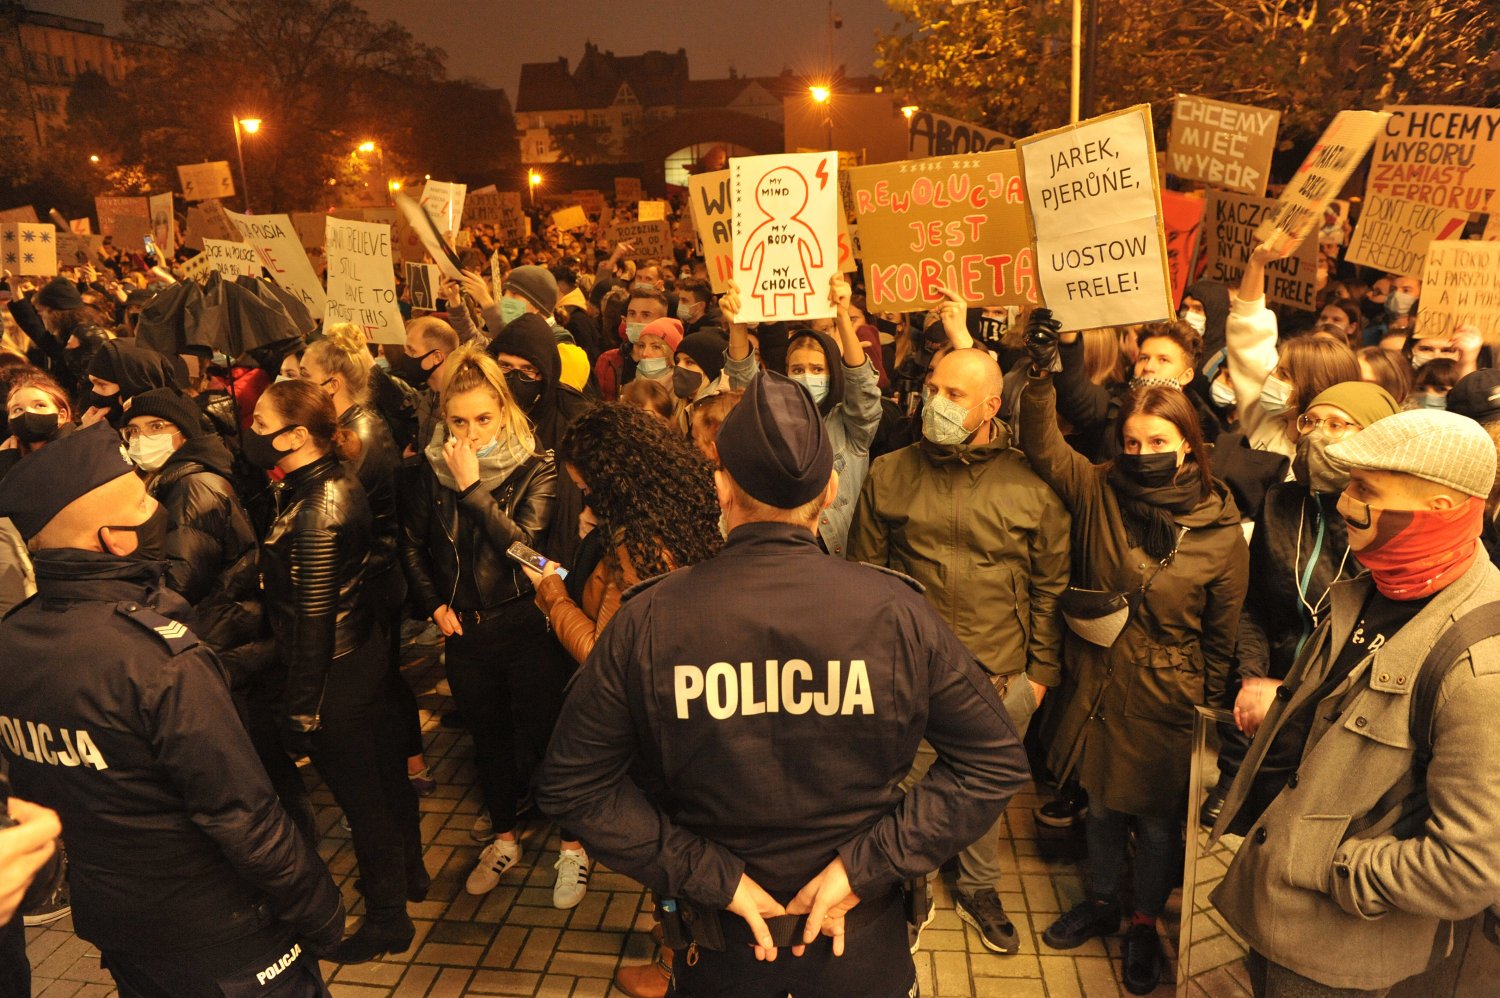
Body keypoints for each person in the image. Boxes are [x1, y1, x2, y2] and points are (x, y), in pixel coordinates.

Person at [536, 370, 1029, 998]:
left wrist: (710, 876)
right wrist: (864, 867)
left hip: (723, 946)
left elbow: (574, 784)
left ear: (720, 487)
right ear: (830, 491)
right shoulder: (895, 612)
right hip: (858, 943)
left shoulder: (651, 619)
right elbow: (993, 759)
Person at [0, 422, 344, 993]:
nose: (156, 511)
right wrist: (320, 911)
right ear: (114, 539)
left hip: (121, 927)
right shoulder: (158, 660)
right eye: (142, 503)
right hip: (221, 931)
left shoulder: (11, 640)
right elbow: (243, 815)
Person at [1210, 409, 1500, 997]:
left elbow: (1468, 867)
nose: (1344, 504)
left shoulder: (1480, 668)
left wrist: (1326, 868)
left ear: (1441, 506)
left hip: (1333, 950)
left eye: (1366, 489)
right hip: (1279, 910)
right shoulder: (1378, 583)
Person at [1020, 309, 1248, 995]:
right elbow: (1042, 446)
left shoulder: (1219, 531)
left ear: (1189, 447)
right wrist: (1042, 373)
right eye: (1130, 440)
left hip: (1169, 698)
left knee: (1154, 825)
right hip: (1097, 682)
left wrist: (1207, 728)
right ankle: (1100, 902)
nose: (1141, 450)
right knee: (1098, 806)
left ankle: (1144, 921)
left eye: (1157, 440)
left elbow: (1221, 639)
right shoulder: (1099, 491)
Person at [848, 346, 1069, 953]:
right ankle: (906, 889)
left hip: (1001, 672)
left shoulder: (1031, 484)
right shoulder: (890, 471)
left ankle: (978, 887)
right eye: (932, 389)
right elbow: (865, 576)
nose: (934, 404)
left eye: (953, 395)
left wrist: (1040, 675)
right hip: (910, 672)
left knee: (983, 789)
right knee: (903, 791)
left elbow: (1051, 587)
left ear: (990, 407)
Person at [250, 380, 426, 963]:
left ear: (297, 435)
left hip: (335, 671)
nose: (252, 432)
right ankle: (411, 874)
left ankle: (388, 919)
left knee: (364, 800)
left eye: (261, 423)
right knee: (386, 779)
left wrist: (302, 709)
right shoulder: (329, 481)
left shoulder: (316, 507)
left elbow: (314, 619)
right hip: (361, 653)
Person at [396, 346, 578, 904]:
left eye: (482, 419)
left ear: (503, 410)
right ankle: (504, 838)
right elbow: (411, 545)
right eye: (458, 421)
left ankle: (574, 846)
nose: (470, 433)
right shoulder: (429, 471)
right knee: (489, 742)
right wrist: (433, 604)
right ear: (443, 418)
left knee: (551, 739)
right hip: (466, 633)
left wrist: (472, 489)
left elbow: (526, 550)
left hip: (527, 625)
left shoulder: (535, 466)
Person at [1200, 383, 1400, 827]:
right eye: (1311, 422)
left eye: (1337, 424)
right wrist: (1252, 677)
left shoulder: (1387, 525)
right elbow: (1253, 606)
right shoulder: (1280, 503)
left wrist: (1293, 694)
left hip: (1335, 718)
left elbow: (1383, 642)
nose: (1316, 435)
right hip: (1259, 708)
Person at [302, 327, 431, 796]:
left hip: (372, 579)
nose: (296, 384)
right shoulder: (357, 424)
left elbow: (343, 516)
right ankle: (410, 765)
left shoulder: (356, 435)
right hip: (377, 573)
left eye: (304, 376)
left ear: (332, 383)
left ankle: (401, 772)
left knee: (378, 683)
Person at [722, 275, 881, 558]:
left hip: (839, 556)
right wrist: (737, 325)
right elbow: (744, 388)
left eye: (817, 369)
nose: (807, 377)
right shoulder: (775, 419)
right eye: (797, 370)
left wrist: (843, 318)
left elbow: (863, 386)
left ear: (834, 373)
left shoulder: (851, 426)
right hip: (781, 551)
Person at [487, 312, 591, 565]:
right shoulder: (480, 411)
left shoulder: (571, 423)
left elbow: (567, 517)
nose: (515, 378)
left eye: (528, 370)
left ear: (546, 373)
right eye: (505, 366)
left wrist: (553, 575)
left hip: (543, 561)